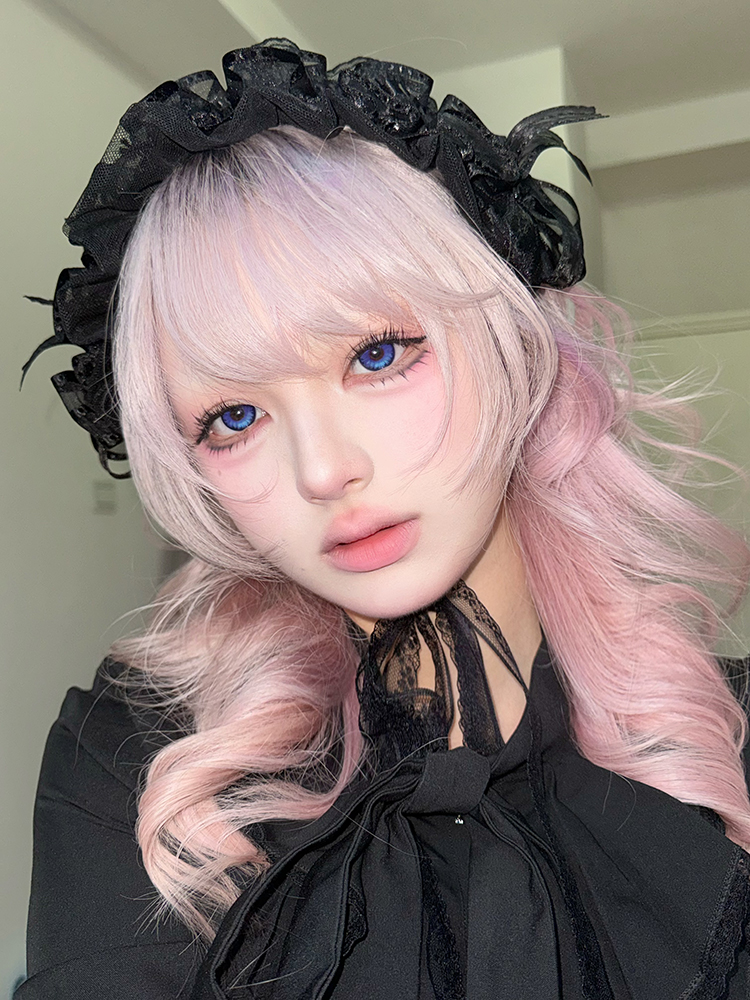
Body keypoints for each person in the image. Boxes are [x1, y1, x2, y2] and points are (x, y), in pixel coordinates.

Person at [16, 37, 750, 1000]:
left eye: (376, 356)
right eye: (233, 418)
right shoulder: (139, 763)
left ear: (510, 340)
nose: (324, 471)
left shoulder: (723, 740)